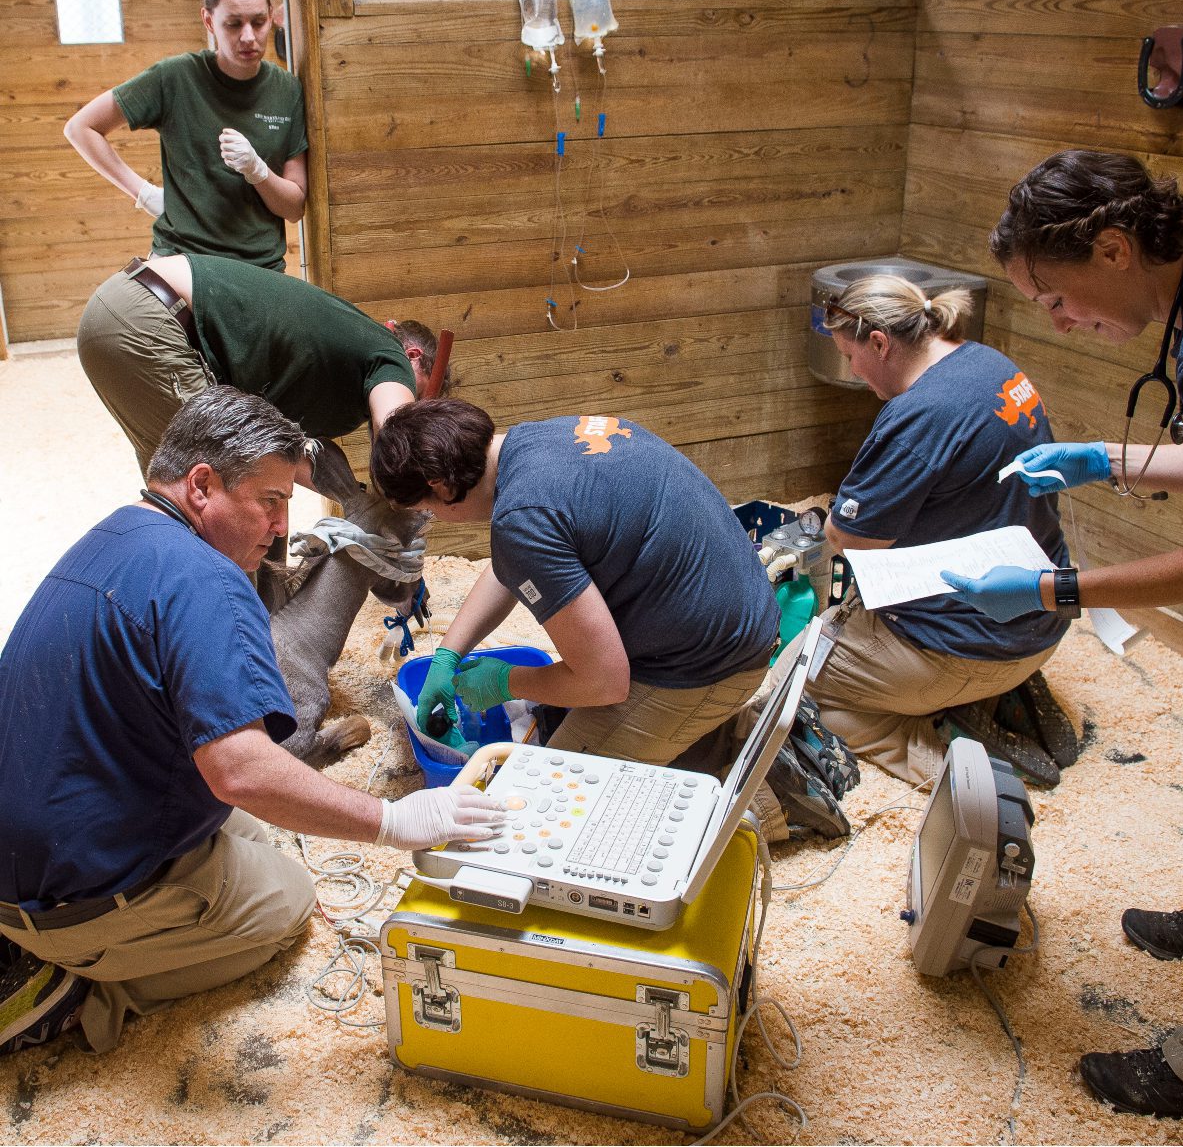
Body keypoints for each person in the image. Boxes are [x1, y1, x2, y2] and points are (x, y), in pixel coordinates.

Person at [0, 388, 503, 1058]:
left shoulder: (116, 531)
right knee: (286, 902)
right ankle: (83, 997)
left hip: (29, 849)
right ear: (202, 485)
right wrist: (391, 822)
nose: (279, 526)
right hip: (68, 900)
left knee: (254, 825)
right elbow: (239, 770)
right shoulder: (210, 580)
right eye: (268, 502)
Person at [941, 149, 1183, 1133]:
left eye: (1053, 298)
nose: (1058, 321)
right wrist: (1108, 460)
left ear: (1115, 248)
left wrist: (1055, 587)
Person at [750, 274, 1070, 789]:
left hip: (966, 646)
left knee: (791, 686)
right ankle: (988, 698)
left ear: (879, 343)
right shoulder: (990, 363)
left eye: (851, 356)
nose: (854, 372)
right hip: (1044, 618)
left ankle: (949, 764)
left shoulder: (918, 415)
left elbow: (848, 537)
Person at [369, 401, 781, 765]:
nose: (434, 518)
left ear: (441, 487)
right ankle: (706, 740)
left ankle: (756, 784)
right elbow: (515, 563)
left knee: (552, 794)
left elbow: (603, 680)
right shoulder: (534, 441)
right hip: (739, 616)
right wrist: (447, 655)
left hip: (712, 665)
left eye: (427, 509)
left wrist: (503, 681)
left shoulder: (522, 520)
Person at [76, 251, 443, 476]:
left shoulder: (339, 365)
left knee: (184, 491)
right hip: (151, 317)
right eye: (416, 394)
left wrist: (352, 494)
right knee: (230, 485)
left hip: (126, 306)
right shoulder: (389, 353)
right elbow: (397, 430)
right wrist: (410, 493)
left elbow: (279, 458)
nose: (409, 400)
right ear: (413, 357)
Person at [64, 0, 307, 272]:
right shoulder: (176, 77)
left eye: (258, 22)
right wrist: (144, 193)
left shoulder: (287, 90)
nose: (248, 36)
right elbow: (81, 127)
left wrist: (259, 172)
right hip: (182, 260)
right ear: (208, 20)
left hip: (259, 267)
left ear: (271, 18)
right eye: (233, 24)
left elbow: (294, 208)